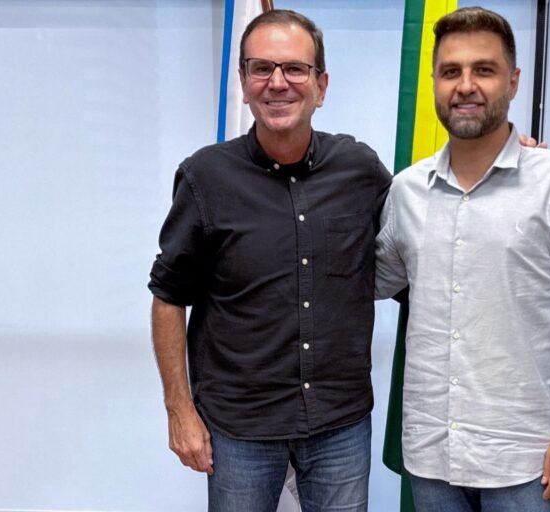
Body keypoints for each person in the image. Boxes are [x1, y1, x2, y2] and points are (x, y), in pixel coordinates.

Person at [375, 7, 550, 511]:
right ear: (434, 83)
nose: (466, 86)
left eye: (483, 70)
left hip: (528, 461)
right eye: (451, 71)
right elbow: (368, 280)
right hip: (432, 455)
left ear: (512, 81)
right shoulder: (406, 192)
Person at [148, 10, 391, 512]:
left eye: (295, 69)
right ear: (243, 83)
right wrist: (179, 409)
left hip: (340, 424)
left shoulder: (361, 170)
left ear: (321, 86)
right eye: (262, 68)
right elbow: (168, 297)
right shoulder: (204, 177)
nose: (277, 82)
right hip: (239, 428)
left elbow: (428, 224)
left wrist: (508, 155)